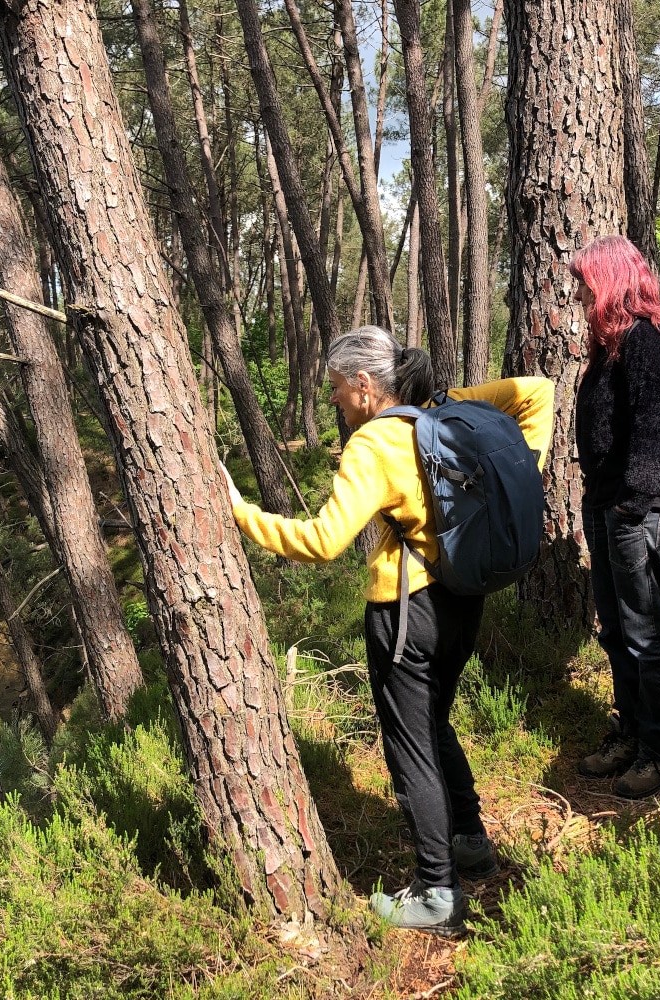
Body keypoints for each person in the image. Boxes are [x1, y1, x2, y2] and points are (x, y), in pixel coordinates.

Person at [221, 325, 554, 935]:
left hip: (406, 614)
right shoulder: (437, 418)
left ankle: (436, 892)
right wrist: (516, 453)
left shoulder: (373, 444)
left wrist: (240, 514)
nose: (333, 401)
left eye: (336, 388)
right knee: (434, 724)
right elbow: (536, 393)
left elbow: (322, 541)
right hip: (461, 599)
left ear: (365, 385)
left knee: (410, 747)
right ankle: (470, 841)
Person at [571, 235, 660, 798]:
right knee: (618, 628)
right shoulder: (612, 344)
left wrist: (632, 503)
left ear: (611, 281)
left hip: (638, 508)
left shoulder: (652, 338)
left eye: (586, 283)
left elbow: (657, 425)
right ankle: (633, 734)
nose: (580, 294)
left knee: (649, 631)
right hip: (607, 503)